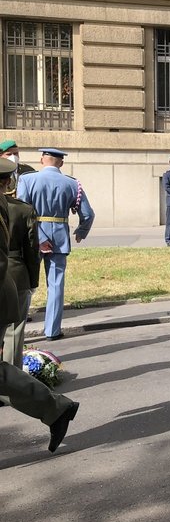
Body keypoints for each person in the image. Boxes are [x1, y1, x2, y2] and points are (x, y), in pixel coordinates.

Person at [0, 157, 79, 452]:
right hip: (44, 252)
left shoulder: (16, 202)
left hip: (13, 277)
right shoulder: (23, 203)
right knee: (56, 289)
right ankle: (56, 408)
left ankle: (55, 407)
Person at [16, 148, 95, 340]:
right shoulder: (72, 183)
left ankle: (17, 331)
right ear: (61, 163)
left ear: (42, 160)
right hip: (60, 238)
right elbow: (88, 214)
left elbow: (22, 212)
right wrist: (81, 231)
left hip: (33, 237)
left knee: (26, 284)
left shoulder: (27, 179)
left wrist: (40, 237)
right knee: (56, 284)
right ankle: (52, 330)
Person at [2, 169, 39, 367]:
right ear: (8, 181)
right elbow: (32, 250)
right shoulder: (22, 210)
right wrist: (33, 281)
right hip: (15, 273)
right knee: (14, 331)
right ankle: (11, 386)